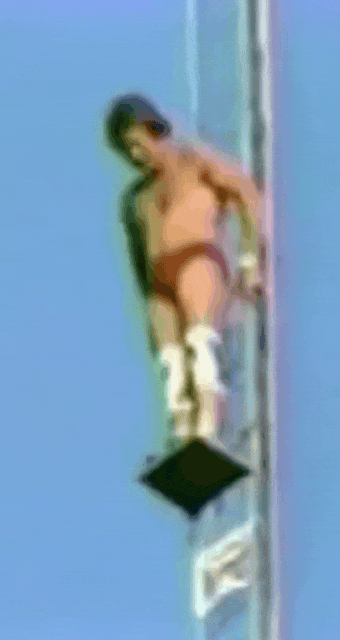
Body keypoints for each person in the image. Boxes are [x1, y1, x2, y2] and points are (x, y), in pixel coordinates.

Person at [106, 93, 264, 445]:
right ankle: (182, 429)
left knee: (199, 340)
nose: (135, 156)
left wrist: (250, 260)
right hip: (158, 282)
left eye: (137, 144)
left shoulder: (194, 161)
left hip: (196, 258)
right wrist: (148, 304)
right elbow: (138, 257)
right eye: (127, 151)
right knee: (171, 359)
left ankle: (208, 421)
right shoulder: (135, 199)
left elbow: (245, 193)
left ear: (152, 129)